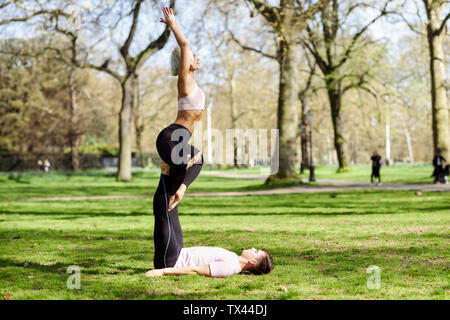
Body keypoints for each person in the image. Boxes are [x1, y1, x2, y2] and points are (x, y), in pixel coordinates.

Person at [152, 6, 205, 269]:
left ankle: (177, 191)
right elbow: (184, 44)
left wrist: (181, 186)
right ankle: (165, 260)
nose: (196, 57)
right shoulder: (184, 80)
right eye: (193, 56)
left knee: (198, 160)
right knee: (187, 162)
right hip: (171, 137)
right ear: (185, 62)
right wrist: (173, 24)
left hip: (180, 141)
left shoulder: (194, 85)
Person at [145, 247, 274, 278]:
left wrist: (162, 271)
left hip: (171, 260)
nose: (252, 248)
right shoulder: (233, 258)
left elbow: (195, 270)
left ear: (252, 262)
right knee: (170, 207)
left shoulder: (229, 267)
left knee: (165, 210)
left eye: (256, 251)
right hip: (177, 250)